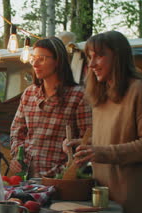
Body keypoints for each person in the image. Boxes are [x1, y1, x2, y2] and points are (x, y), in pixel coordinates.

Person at [65, 31, 142, 213]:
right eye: (89, 56)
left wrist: (100, 152)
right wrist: (83, 144)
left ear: (117, 56)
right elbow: (110, 139)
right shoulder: (102, 94)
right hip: (103, 197)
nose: (92, 63)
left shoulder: (140, 90)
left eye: (99, 56)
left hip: (129, 198)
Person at [9, 36, 92, 178]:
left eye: (41, 58)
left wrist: (70, 167)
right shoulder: (29, 93)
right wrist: (18, 156)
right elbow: (17, 131)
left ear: (58, 61)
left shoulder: (78, 96)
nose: (35, 63)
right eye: (33, 58)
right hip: (28, 179)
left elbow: (88, 139)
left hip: (61, 179)